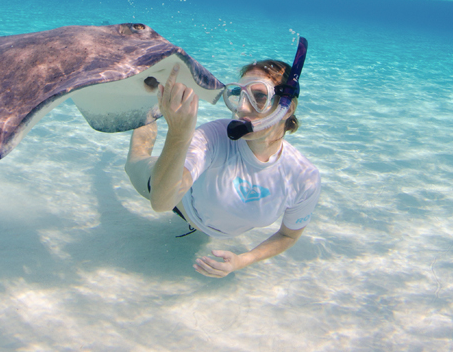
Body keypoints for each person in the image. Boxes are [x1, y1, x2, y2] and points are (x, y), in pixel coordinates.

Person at [125, 41, 321, 278]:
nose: (242, 109)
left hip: (207, 219)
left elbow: (288, 235)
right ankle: (149, 106)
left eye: (259, 96)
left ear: (287, 109)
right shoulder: (214, 137)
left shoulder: (303, 176)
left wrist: (242, 260)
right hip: (180, 201)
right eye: (239, 95)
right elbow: (161, 201)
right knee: (136, 159)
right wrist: (178, 133)